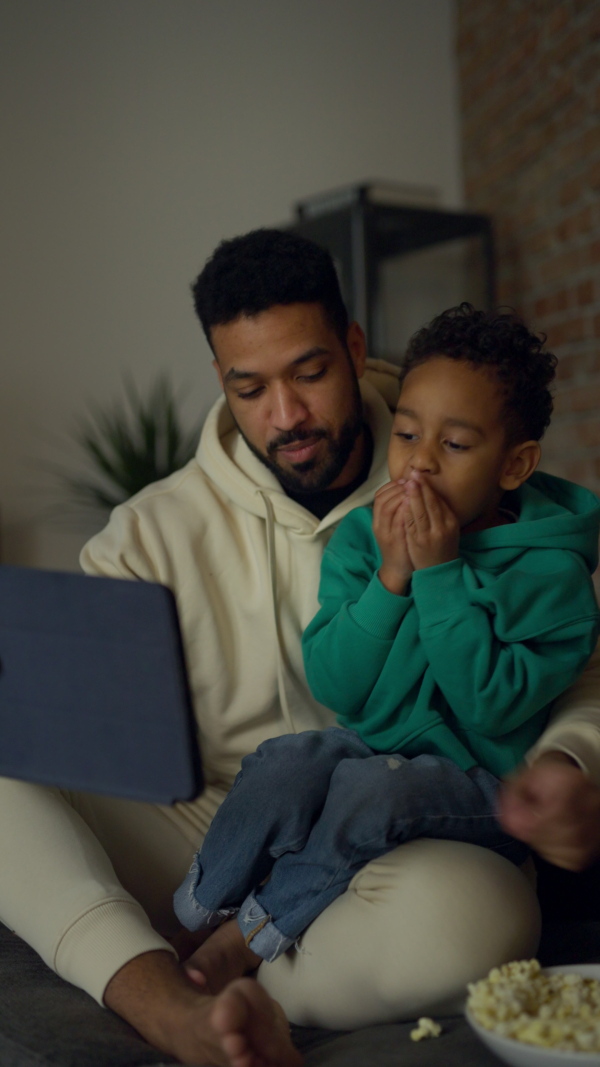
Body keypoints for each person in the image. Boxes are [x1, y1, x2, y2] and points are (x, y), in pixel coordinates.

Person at [0, 229, 599, 1067]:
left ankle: (234, 976)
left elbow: (574, 672)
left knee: (485, 913)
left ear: (354, 348)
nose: (284, 415)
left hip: (400, 833)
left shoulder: (481, 466)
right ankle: (165, 998)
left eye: (309, 373)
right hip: (209, 817)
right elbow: (96, 733)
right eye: (249, 386)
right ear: (220, 379)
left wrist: (569, 763)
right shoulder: (143, 535)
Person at [171, 304, 600, 989]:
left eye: (455, 446)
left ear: (514, 465)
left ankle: (248, 938)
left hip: (483, 781)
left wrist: (437, 575)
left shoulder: (553, 577)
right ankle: (194, 909)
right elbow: (336, 685)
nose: (419, 463)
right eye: (406, 433)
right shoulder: (366, 540)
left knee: (370, 789)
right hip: (376, 747)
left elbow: (490, 706)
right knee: (286, 760)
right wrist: (391, 577)